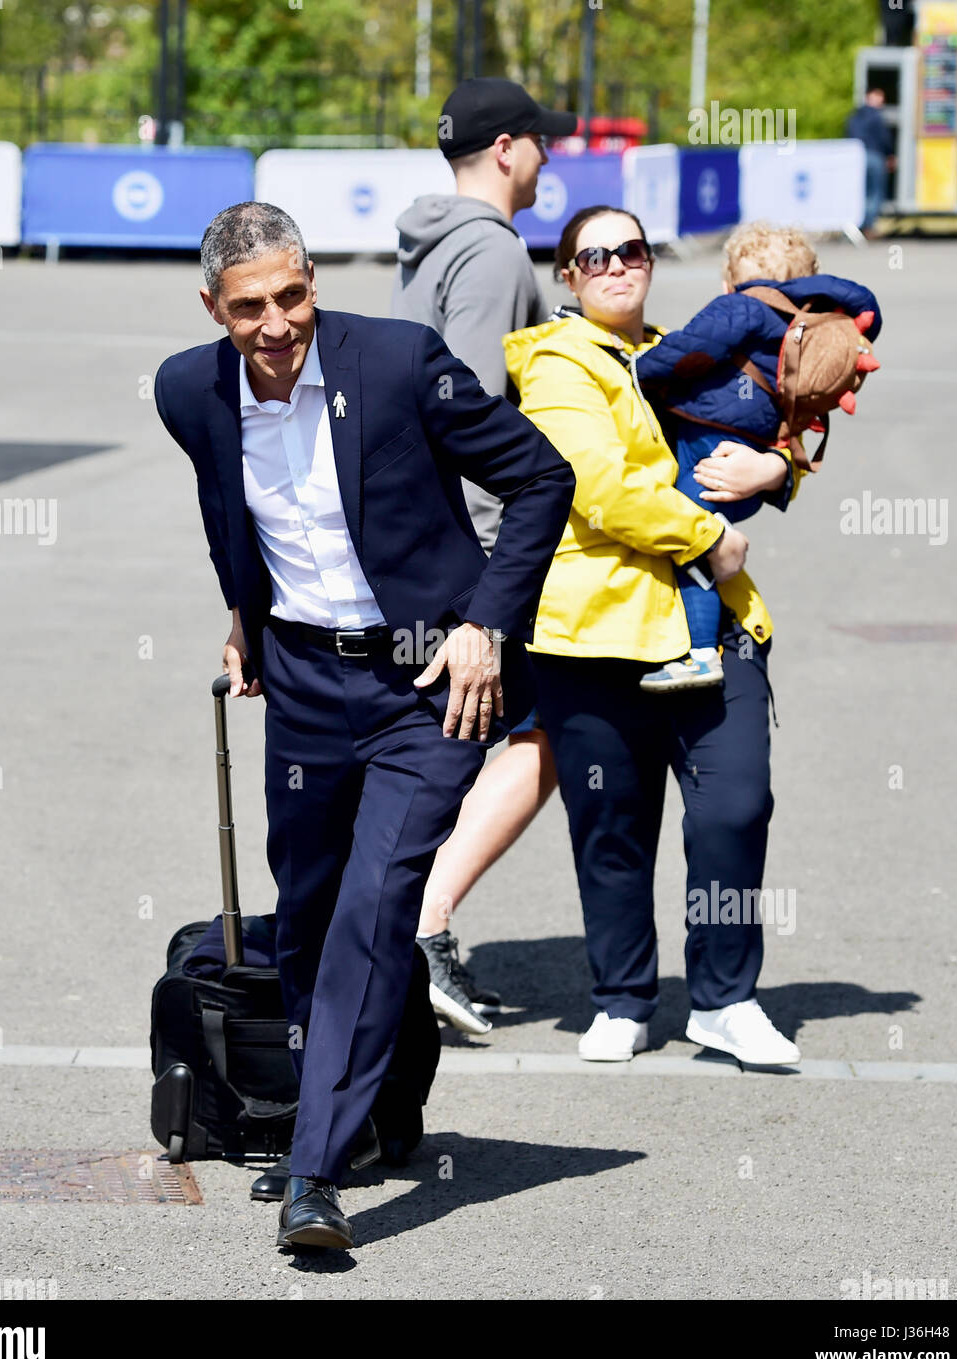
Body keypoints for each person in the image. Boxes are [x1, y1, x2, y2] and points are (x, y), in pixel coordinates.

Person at [154, 202, 574, 1250]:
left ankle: (314, 1170)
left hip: (429, 681)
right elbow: (229, 510)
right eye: (248, 306)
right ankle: (371, 1109)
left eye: (292, 294)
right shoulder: (187, 391)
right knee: (304, 912)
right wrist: (243, 620)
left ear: (311, 282)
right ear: (213, 307)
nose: (276, 322)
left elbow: (539, 477)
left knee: (376, 908)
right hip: (299, 679)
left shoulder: (395, 364)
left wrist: (485, 622)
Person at [503, 204, 802, 1067]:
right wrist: (708, 535)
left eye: (629, 249)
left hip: (716, 623)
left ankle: (724, 999)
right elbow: (597, 483)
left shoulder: (692, 350)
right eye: (591, 255)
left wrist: (778, 467)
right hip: (596, 629)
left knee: (736, 806)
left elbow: (775, 420)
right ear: (567, 276)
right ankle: (624, 995)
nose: (614, 265)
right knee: (612, 826)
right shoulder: (558, 362)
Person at [392, 78, 575, 1035]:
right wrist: (492, 573)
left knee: (449, 745)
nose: (550, 160)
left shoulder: (430, 246)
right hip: (478, 540)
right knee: (542, 737)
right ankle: (419, 931)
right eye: (542, 145)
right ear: (506, 149)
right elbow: (468, 405)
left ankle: (406, 936)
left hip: (422, 531)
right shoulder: (495, 252)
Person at [632, 221, 882, 691]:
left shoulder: (741, 308)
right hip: (754, 454)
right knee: (704, 535)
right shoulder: (798, 322)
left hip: (710, 448)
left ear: (729, 283)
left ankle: (700, 652)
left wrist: (636, 369)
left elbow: (689, 347)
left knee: (692, 543)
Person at [846, 88, 895, 236]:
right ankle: (868, 226)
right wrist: (890, 154)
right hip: (874, 155)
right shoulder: (876, 116)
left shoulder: (855, 116)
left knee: (861, 192)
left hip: (858, 156)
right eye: (878, 98)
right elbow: (884, 138)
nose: (881, 102)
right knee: (875, 192)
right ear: (869, 98)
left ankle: (858, 224)